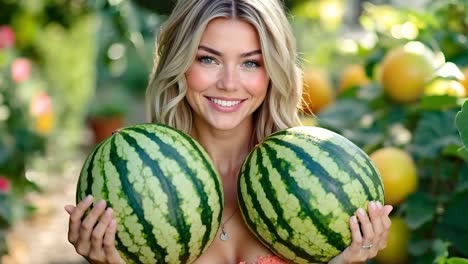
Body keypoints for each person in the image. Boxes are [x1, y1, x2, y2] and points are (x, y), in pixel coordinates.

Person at [65, 0, 393, 263]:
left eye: (251, 62)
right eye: (208, 59)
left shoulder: (313, 179)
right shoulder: (137, 182)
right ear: (179, 64)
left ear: (273, 72)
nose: (229, 83)